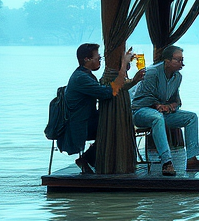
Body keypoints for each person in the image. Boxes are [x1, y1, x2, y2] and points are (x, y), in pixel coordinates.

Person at [59, 42, 142, 174]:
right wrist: (123, 68)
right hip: (79, 125)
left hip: (87, 119)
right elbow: (108, 92)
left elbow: (109, 90)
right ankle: (91, 159)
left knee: (116, 122)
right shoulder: (81, 78)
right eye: (98, 58)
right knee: (115, 125)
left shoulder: (85, 75)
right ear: (87, 59)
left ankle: (89, 158)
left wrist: (128, 73)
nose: (100, 60)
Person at [132, 44, 199, 176]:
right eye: (178, 60)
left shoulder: (177, 77)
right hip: (141, 111)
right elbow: (145, 97)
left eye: (182, 60)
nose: (182, 63)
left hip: (163, 113)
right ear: (167, 61)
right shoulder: (152, 72)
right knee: (157, 118)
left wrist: (170, 107)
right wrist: (157, 105)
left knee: (191, 117)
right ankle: (167, 162)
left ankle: (192, 159)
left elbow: (177, 100)